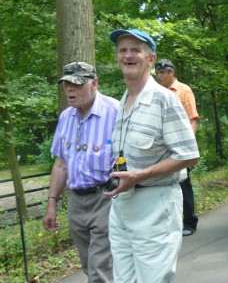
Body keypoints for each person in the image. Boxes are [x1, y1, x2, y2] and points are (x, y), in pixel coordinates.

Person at [106, 29, 200, 283]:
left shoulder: (164, 99)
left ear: (151, 59)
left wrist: (141, 175)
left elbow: (189, 155)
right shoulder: (124, 100)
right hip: (121, 206)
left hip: (156, 205)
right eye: (122, 50)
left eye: (135, 50)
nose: (128, 55)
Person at [43, 61, 118, 282]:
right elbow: (61, 164)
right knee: (88, 265)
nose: (69, 89)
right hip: (76, 203)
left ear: (94, 83)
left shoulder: (115, 112)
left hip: (106, 199)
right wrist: (51, 204)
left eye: (76, 83)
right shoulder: (66, 117)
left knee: (99, 270)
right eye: (66, 84)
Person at [155, 58, 200, 237]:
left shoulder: (183, 90)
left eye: (162, 73)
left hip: (180, 144)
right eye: (157, 73)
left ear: (171, 72)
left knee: (183, 183)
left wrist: (188, 147)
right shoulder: (156, 91)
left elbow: (192, 117)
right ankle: (167, 222)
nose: (159, 76)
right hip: (161, 145)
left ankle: (190, 221)